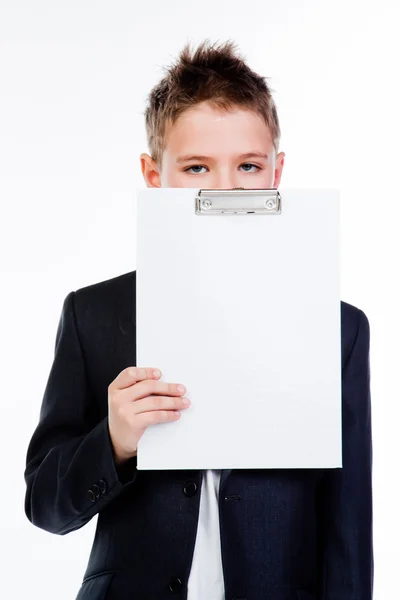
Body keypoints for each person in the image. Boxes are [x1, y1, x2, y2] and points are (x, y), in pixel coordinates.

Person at [24, 39, 373, 600]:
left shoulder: (340, 329)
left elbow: (349, 522)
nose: (225, 189)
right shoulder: (92, 314)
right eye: (195, 167)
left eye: (248, 166)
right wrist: (113, 440)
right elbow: (44, 507)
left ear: (276, 174)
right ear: (154, 174)